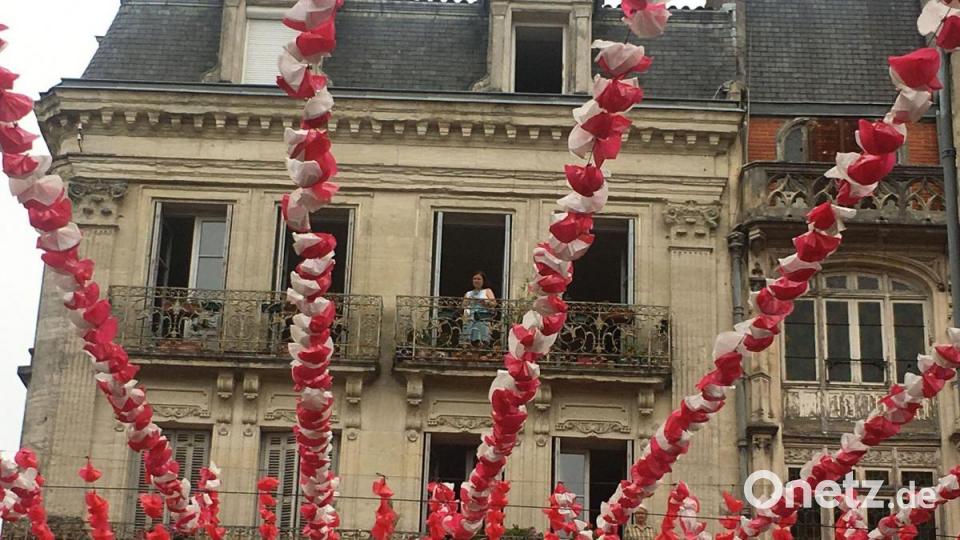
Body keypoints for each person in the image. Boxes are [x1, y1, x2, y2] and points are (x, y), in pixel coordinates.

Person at [462, 271, 496, 348]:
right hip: (470, 317)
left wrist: (485, 302)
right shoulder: (468, 293)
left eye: (479, 279)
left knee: (481, 338)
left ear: (483, 281)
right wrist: (467, 301)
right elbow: (463, 305)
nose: (476, 281)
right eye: (474, 279)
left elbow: (494, 303)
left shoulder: (487, 291)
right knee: (469, 338)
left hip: (482, 317)